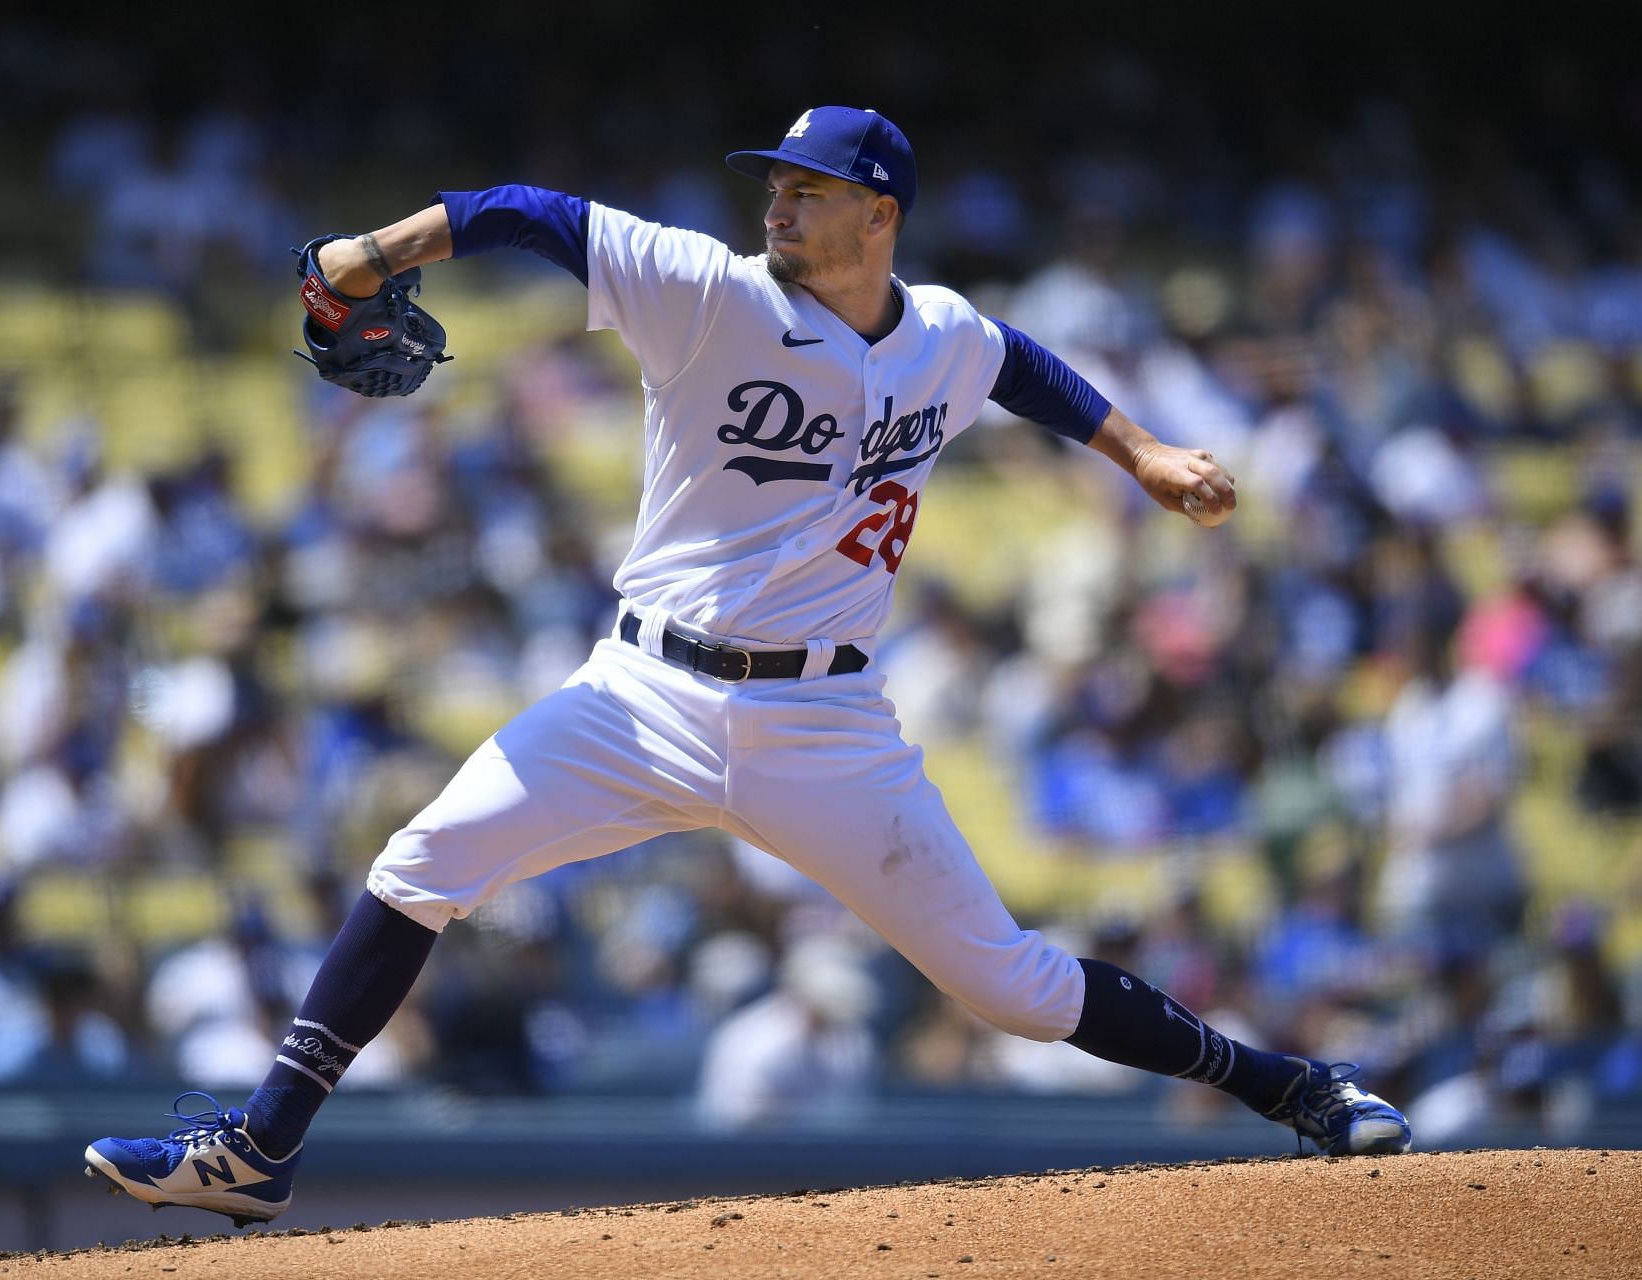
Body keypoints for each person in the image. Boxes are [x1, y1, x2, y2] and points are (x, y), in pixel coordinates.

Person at [85, 106, 1411, 1227]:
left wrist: (1147, 454)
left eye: (808, 189)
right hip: (641, 697)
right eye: (774, 184)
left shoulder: (941, 331)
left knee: (1012, 989)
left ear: (877, 214)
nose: (778, 203)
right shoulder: (710, 292)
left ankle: (1292, 1087)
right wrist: (366, 254)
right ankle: (258, 1152)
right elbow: (525, 209)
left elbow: (1021, 369)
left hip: (826, 722)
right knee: (418, 867)